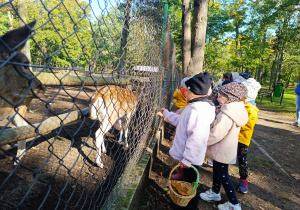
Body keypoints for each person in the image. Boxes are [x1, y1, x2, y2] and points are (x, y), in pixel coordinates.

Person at [157, 72, 215, 209]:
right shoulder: (193, 108)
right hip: (187, 157)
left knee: (189, 185)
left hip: (190, 159)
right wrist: (166, 114)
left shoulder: (197, 112)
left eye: (187, 91)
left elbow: (197, 138)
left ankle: (187, 206)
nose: (185, 93)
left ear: (195, 93)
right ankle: (182, 204)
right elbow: (181, 121)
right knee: (186, 183)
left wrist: (188, 159)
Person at [200, 82, 248, 210]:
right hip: (224, 150)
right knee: (218, 171)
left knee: (223, 175)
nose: (217, 97)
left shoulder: (226, 115)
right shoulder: (235, 111)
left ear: (229, 99)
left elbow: (216, 134)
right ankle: (215, 192)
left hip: (221, 150)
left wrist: (202, 141)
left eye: (221, 95)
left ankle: (234, 204)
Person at [237, 78, 261, 194]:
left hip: (243, 140)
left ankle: (243, 179)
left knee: (242, 160)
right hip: (233, 137)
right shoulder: (240, 105)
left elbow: (247, 125)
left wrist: (235, 124)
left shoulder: (252, 110)